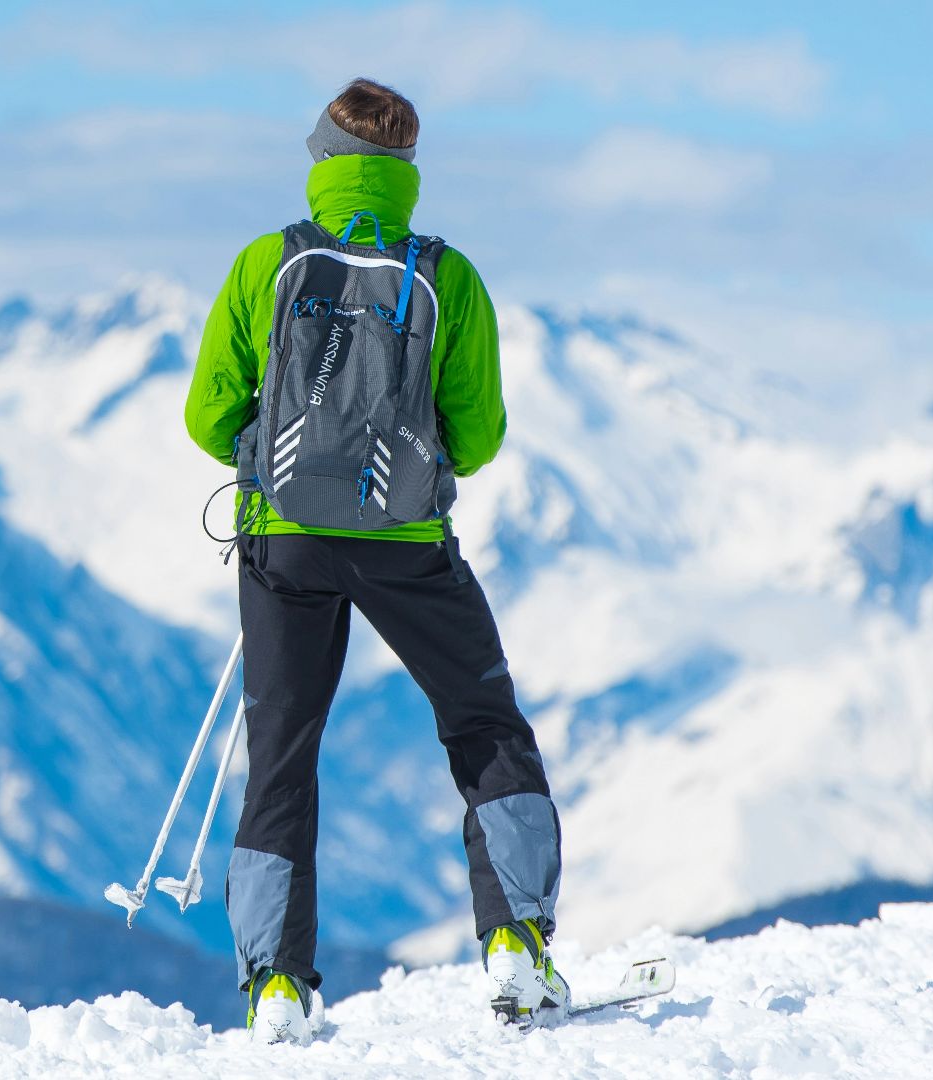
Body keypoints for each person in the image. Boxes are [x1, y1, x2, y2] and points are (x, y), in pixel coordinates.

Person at [183, 78, 566, 1045]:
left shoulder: (266, 265)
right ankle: (516, 939)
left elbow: (206, 416)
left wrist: (273, 461)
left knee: (282, 751)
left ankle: (276, 984)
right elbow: (476, 438)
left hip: (284, 540)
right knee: (482, 722)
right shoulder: (449, 275)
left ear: (321, 159)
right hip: (406, 546)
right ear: (408, 170)